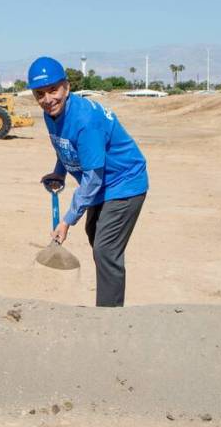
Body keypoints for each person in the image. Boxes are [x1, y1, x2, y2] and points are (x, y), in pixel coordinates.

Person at [29, 56, 147, 307]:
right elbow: (66, 146)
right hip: (103, 185)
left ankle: (108, 317)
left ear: (67, 87)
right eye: (40, 93)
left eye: (53, 90)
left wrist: (67, 221)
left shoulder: (85, 121)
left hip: (124, 182)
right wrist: (59, 172)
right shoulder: (53, 114)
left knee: (105, 250)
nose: (48, 99)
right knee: (98, 240)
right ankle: (108, 300)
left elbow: (93, 179)